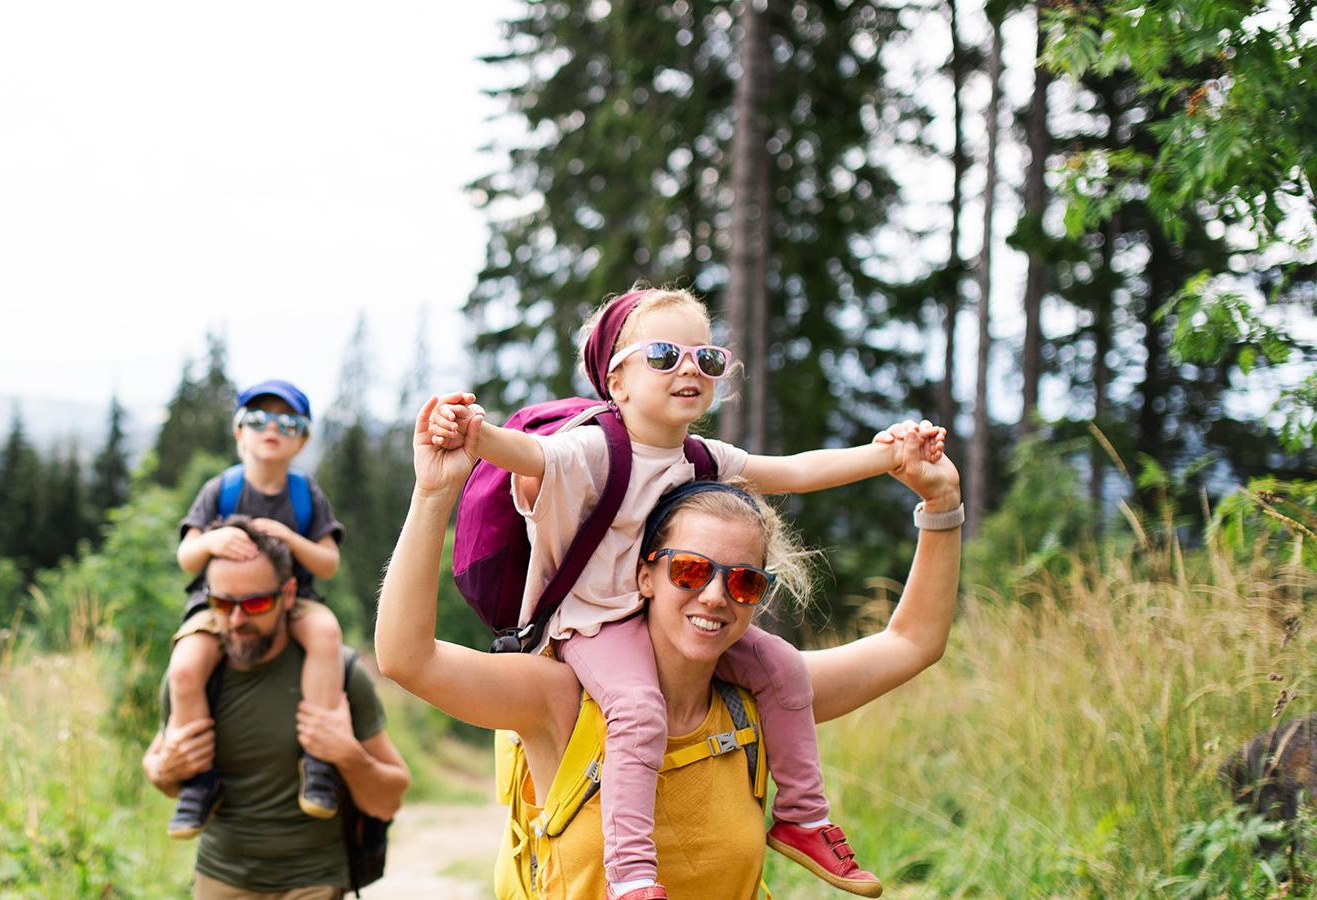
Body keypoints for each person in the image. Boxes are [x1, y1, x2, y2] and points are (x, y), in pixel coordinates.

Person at [425, 287, 945, 897]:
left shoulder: (703, 457)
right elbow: (526, 453)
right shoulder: (591, 448)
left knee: (781, 669)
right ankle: (632, 875)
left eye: (708, 358)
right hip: (594, 627)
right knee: (639, 708)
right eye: (665, 355)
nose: (690, 370)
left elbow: (795, 471)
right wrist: (470, 433)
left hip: (655, 619)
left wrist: (887, 457)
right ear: (616, 380)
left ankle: (802, 818)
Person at [145, 517, 411, 899]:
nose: (236, 620)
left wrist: (347, 754)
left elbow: (390, 799)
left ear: (288, 595)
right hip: (218, 880)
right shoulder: (193, 678)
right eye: (222, 603)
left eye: (254, 602)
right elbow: (157, 767)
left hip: (315, 882)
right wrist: (164, 768)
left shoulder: (341, 676)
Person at [165, 380, 351, 837]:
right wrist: (210, 540)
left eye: (288, 422)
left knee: (326, 635)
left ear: (302, 439)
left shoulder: (305, 494)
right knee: (186, 668)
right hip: (222, 603)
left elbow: (328, 563)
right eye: (258, 420)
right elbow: (187, 556)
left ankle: (319, 761)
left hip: (294, 599)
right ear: (238, 433)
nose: (272, 429)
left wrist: (289, 539)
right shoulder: (221, 490)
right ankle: (199, 779)